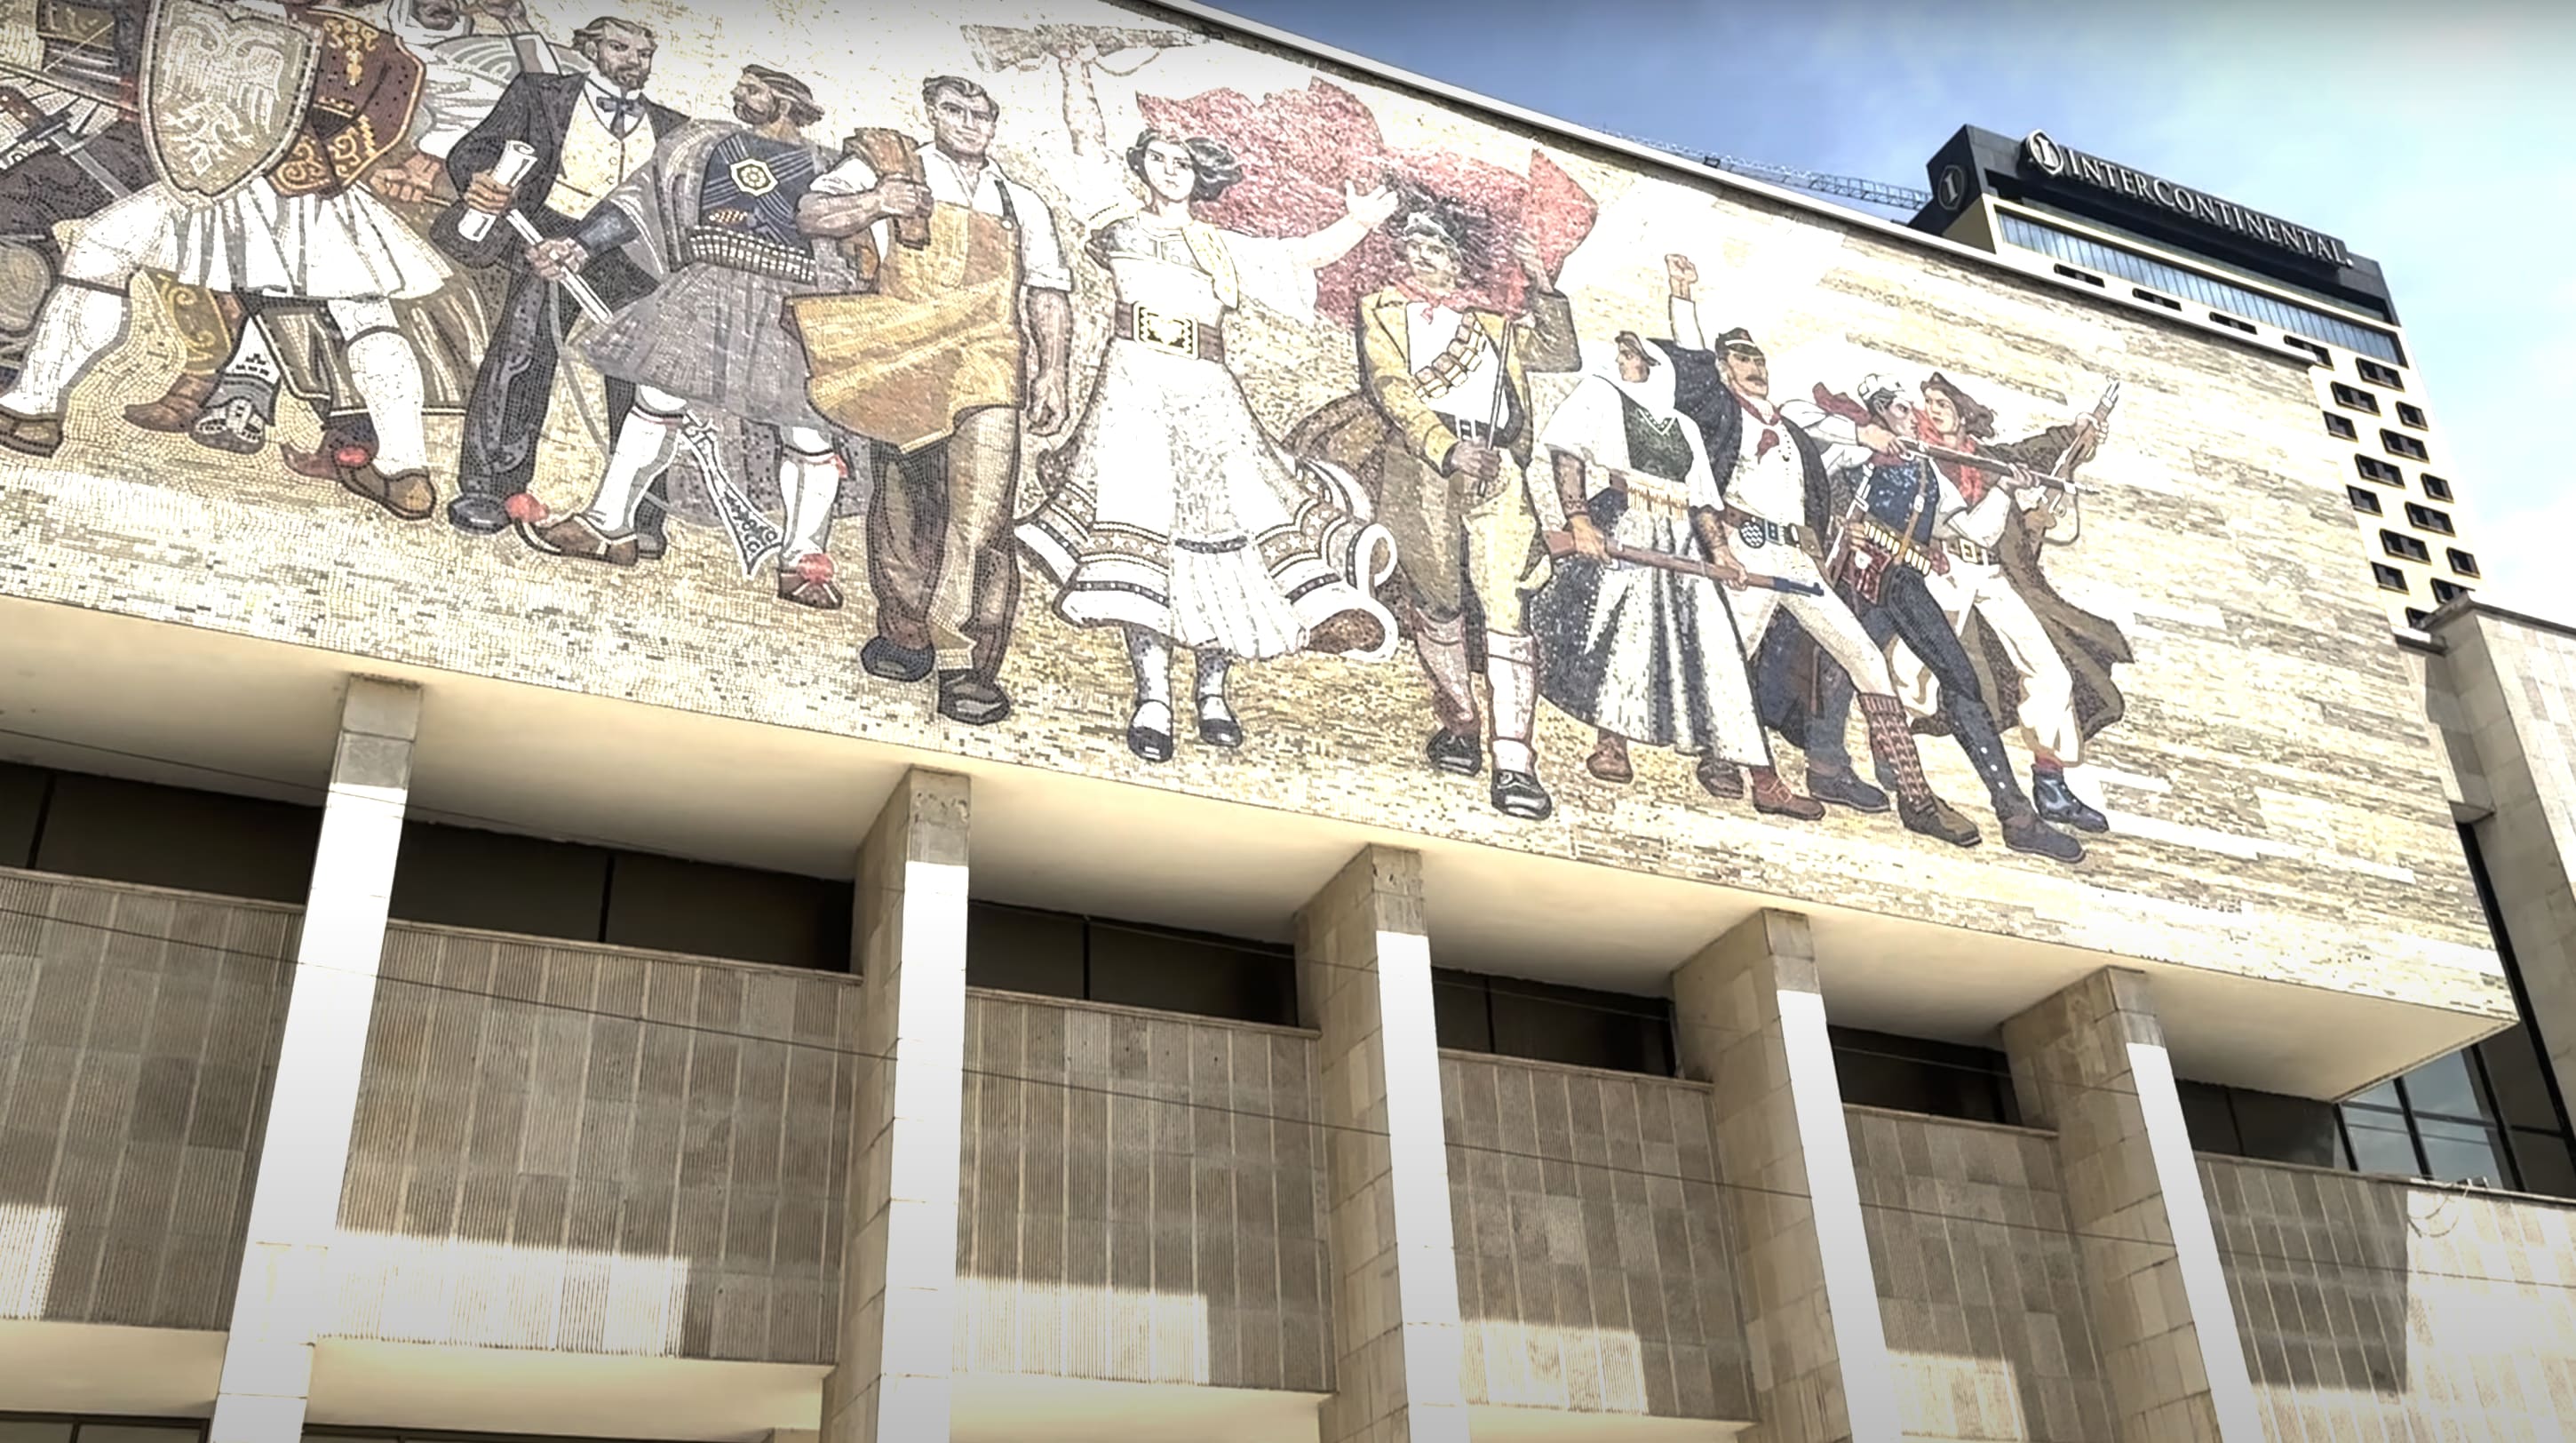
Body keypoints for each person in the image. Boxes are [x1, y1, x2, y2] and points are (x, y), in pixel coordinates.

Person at [1012, 108, 1399, 761]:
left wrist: (1358, 221)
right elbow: (1086, 141)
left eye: (1184, 162)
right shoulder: (1117, 222)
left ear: (1201, 177)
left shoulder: (1221, 247)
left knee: (1224, 543)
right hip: (1134, 390)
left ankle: (1214, 692)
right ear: (1142, 167)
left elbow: (1300, 255)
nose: (1170, 170)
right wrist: (1077, 78)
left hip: (1208, 397)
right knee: (1143, 540)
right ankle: (1153, 696)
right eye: (1159, 158)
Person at [0, 0, 448, 524]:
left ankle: (33, 409)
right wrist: (312, 168)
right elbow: (379, 130)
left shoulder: (216, 21)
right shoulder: (383, 51)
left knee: (100, 253)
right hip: (325, 197)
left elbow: (180, 106)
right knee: (366, 314)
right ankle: (406, 470)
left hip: (218, 184)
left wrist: (272, 163)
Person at [1658, 254, 1977, 847]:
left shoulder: (1793, 426)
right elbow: (1695, 369)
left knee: (1865, 657)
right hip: (1745, 548)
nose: (1754, 367)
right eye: (1741, 360)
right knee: (1733, 658)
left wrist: (1871, 438)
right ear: (1726, 371)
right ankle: (1725, 760)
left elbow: (1821, 426)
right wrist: (1682, 298)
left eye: (1758, 359)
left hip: (1796, 560)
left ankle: (1917, 796)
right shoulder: (1722, 413)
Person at [787, 75, 1074, 727]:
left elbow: (1048, 292)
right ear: (932, 113)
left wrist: (1052, 372)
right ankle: (906, 633)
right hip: (906, 353)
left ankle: (968, 666)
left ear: (994, 124)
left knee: (981, 513)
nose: (969, 124)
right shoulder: (890, 166)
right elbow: (811, 214)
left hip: (988, 362)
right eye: (954, 110)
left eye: (981, 114)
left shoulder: (1019, 201)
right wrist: (876, 201)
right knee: (903, 501)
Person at [520, 67, 855, 609]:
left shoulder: (830, 166)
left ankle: (803, 563)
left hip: (792, 306)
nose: (737, 95)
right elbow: (640, 200)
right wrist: (579, 246)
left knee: (809, 432)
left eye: (752, 88)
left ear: (787, 100)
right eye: (739, 87)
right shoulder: (703, 144)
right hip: (705, 288)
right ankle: (609, 527)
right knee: (654, 402)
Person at [1765, 373, 2087, 862]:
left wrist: (2002, 490)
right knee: (1840, 670)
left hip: (1902, 579)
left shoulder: (1925, 470)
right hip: (1853, 571)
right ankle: (1827, 767)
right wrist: (1861, 438)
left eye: (1907, 410)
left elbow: (1974, 534)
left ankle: (2016, 814)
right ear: (1877, 412)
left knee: (1960, 680)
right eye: (1898, 408)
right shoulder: (1854, 450)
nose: (1910, 416)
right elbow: (1795, 419)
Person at [1529, 327, 1817, 818]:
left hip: (1682, 535)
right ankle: (1612, 743)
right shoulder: (1602, 395)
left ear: (1657, 368)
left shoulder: (1683, 425)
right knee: (1628, 637)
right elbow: (1568, 453)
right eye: (1622, 353)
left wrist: (1722, 554)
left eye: (1634, 356)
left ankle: (1762, 777)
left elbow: (1702, 498)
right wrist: (1578, 520)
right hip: (1627, 523)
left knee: (1719, 650)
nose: (1623, 361)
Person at [1351, 198, 1578, 821]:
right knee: (1438, 599)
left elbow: (1559, 353)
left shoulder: (1495, 322)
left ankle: (1515, 762)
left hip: (1499, 468)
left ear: (1456, 261)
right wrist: (1448, 449)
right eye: (1414, 248)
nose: (1422, 258)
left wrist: (1542, 281)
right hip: (1425, 465)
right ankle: (1460, 721)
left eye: (1436, 249)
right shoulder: (1381, 310)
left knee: (1506, 605)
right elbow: (1390, 387)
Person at [434, 16, 684, 540]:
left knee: (645, 378)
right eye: (620, 47)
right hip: (547, 236)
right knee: (523, 353)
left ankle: (640, 514)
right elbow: (474, 151)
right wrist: (481, 181)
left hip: (629, 253)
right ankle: (490, 489)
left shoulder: (672, 125)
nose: (633, 61)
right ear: (589, 47)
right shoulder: (540, 93)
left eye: (644, 52)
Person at [1880, 371, 2126, 833]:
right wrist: (2005, 491)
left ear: (1962, 408)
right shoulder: (1918, 454)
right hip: (1943, 568)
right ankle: (1888, 754)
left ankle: (2051, 785)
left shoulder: (1987, 458)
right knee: (1911, 671)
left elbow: (2036, 451)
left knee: (2050, 672)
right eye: (1927, 401)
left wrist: (2078, 433)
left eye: (1942, 400)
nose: (1933, 409)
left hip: (1991, 574)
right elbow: (1967, 526)